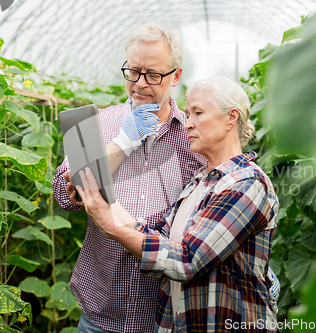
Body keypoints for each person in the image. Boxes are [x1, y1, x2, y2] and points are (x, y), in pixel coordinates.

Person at [75, 77, 279, 333]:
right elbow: (158, 236)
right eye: (188, 113)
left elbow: (187, 261)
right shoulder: (200, 181)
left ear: (231, 117)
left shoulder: (246, 183)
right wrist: (102, 200)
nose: (188, 123)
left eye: (198, 113)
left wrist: (113, 228)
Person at [53, 23, 206, 333]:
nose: (139, 84)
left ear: (176, 76)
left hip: (165, 315)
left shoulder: (193, 139)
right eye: (133, 71)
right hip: (102, 310)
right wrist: (121, 143)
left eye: (153, 75)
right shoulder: (99, 122)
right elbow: (61, 193)